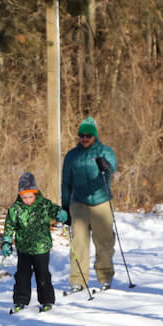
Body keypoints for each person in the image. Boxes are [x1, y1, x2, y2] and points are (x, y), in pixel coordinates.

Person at [61, 117, 118, 292]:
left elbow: (112, 166)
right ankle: (78, 280)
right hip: (79, 203)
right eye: (82, 136)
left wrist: (105, 166)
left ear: (94, 136)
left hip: (101, 202)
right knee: (78, 243)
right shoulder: (72, 156)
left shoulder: (104, 151)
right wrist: (64, 207)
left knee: (104, 241)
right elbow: (66, 182)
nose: (85, 139)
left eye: (88, 136)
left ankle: (105, 276)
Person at [1, 172, 67, 313]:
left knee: (42, 274)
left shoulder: (44, 204)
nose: (27, 200)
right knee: (22, 275)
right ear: (20, 195)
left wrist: (60, 213)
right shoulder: (15, 209)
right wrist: (7, 241)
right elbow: (9, 226)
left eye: (30, 196)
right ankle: (20, 300)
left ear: (35, 193)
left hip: (41, 247)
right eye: (24, 197)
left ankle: (47, 300)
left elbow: (54, 210)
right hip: (23, 248)